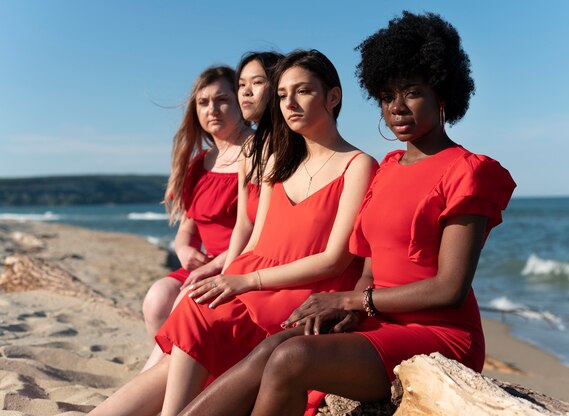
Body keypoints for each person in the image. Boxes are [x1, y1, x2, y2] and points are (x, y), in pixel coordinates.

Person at [178, 11, 516, 416]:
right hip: (379, 320)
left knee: (291, 358)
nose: (397, 107)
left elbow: (449, 289)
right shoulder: (386, 169)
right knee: (275, 345)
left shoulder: (467, 170)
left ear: (442, 93)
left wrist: (354, 300)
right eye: (387, 96)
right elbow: (370, 269)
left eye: (411, 92)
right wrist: (350, 309)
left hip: (440, 332)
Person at [89, 49, 377, 416]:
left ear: (333, 97)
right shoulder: (278, 162)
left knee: (201, 319)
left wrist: (246, 282)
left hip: (304, 287)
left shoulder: (358, 164)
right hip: (260, 276)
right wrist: (229, 276)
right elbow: (255, 240)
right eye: (283, 94)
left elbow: (335, 260)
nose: (290, 103)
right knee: (198, 306)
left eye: (302, 91)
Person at [140, 66, 252, 344]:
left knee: (183, 302)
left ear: (241, 101)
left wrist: (213, 268)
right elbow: (188, 225)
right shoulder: (200, 163)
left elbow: (258, 229)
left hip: (241, 263)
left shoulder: (257, 151)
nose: (212, 109)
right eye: (203, 102)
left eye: (221, 99)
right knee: (156, 299)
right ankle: (166, 371)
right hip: (204, 264)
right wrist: (183, 249)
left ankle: (176, 375)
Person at [223, 51, 284, 271]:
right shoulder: (249, 149)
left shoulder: (293, 147)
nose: (246, 92)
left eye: (257, 82)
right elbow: (243, 225)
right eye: (241, 85)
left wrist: (232, 275)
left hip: (277, 264)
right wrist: (225, 271)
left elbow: (263, 235)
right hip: (253, 259)